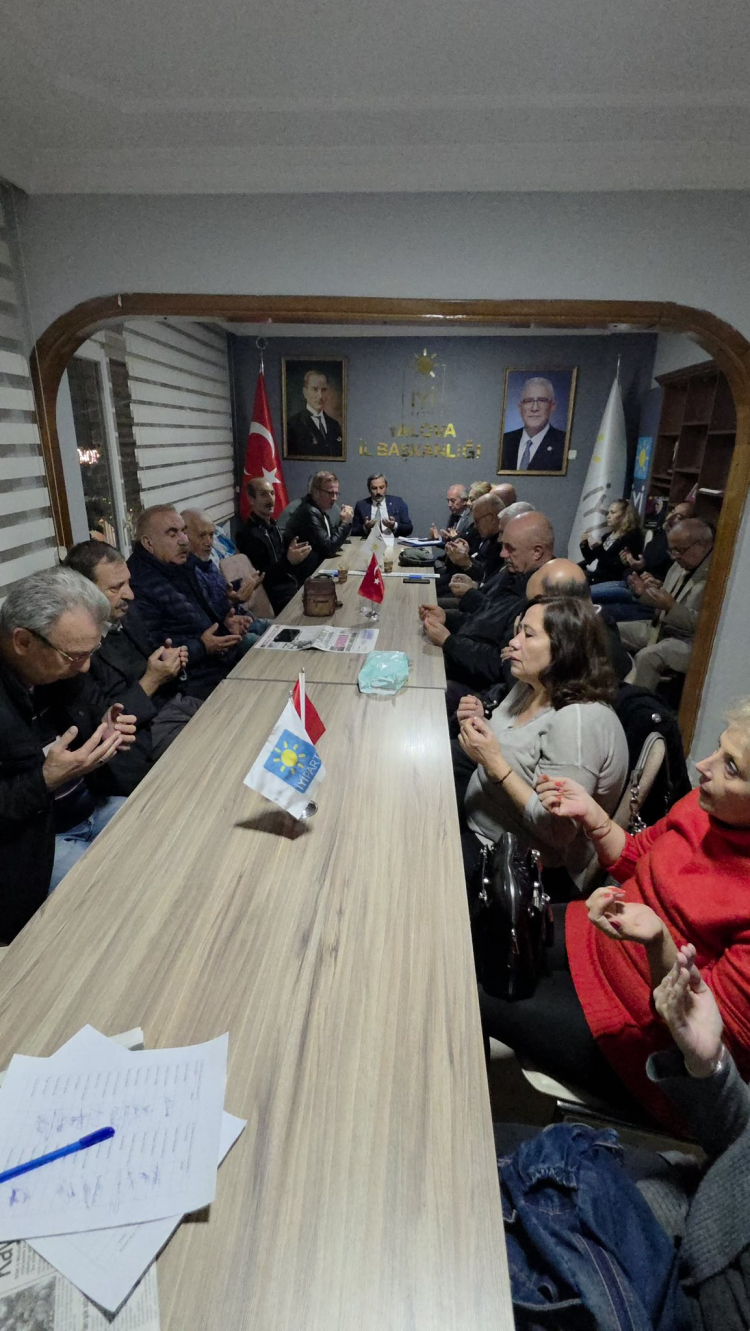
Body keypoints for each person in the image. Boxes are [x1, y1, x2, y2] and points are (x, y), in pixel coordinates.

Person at [480, 697, 750, 1131]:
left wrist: (658, 942)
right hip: (594, 939)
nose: (704, 765)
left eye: (731, 767)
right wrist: (593, 816)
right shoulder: (704, 806)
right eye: (719, 748)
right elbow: (634, 857)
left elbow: (708, 1041)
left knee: (472, 993)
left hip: (642, 1029)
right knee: (470, 941)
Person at [494, 945, 750, 1331]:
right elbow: (739, 1151)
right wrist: (710, 1064)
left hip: (657, 1302)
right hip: (671, 1195)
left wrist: (658, 948)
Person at [0, 567, 137, 938]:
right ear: (22, 641)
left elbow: (91, 708)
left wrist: (106, 726)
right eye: (74, 656)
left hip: (90, 806)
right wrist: (45, 779)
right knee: (120, 897)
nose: (86, 666)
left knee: (160, 830)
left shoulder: (61, 667)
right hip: (34, 844)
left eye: (91, 652)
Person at [458, 597, 628, 889]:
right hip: (484, 824)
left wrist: (494, 762)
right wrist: (480, 724)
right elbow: (513, 746)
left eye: (528, 634)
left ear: (564, 649)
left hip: (521, 865)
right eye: (518, 631)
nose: (514, 642)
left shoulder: (578, 721)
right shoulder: (532, 685)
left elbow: (557, 831)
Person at [64, 540, 202, 792]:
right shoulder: (74, 649)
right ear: (84, 594)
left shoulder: (126, 614)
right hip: (137, 745)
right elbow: (104, 725)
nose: (130, 594)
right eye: (115, 588)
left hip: (173, 707)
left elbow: (152, 662)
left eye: (127, 582)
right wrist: (153, 679)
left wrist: (170, 661)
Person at [419, 511, 554, 693]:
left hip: (474, 684)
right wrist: (447, 619)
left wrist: (449, 642)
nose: (503, 553)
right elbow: (484, 620)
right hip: (459, 657)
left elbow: (498, 665)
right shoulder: (514, 574)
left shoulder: (537, 596)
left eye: (510, 548)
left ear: (537, 552)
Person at [128, 505, 243, 697]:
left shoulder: (180, 565)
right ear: (148, 543)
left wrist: (225, 624)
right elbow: (154, 650)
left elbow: (200, 618)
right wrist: (202, 647)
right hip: (187, 686)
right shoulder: (138, 584)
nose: (184, 540)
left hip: (217, 664)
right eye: (173, 534)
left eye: (183, 531)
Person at [617, 517, 714, 692]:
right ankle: (610, 688)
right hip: (660, 628)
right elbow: (662, 603)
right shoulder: (679, 565)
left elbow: (705, 626)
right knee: (606, 628)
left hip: (689, 642)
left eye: (680, 550)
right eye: (672, 550)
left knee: (647, 657)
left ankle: (638, 704)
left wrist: (670, 606)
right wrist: (643, 592)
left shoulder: (716, 575)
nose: (675, 556)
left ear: (702, 545)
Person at [181, 508, 271, 651]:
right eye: (202, 535)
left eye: (211, 535)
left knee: (276, 627)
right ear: (184, 536)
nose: (209, 542)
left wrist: (240, 586)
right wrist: (233, 601)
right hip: (223, 636)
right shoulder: (187, 571)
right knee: (268, 644)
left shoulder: (207, 563)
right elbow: (211, 616)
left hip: (239, 619)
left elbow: (223, 592)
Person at [591, 500, 695, 619]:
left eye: (679, 517)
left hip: (646, 595)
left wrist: (654, 581)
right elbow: (636, 568)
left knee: (595, 610)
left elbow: (667, 584)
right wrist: (635, 566)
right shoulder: (660, 537)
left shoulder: (682, 549)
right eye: (672, 512)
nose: (670, 517)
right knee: (583, 594)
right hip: (631, 583)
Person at [236, 478, 312, 613]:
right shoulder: (248, 534)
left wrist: (295, 554)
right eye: (263, 494)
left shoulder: (273, 526)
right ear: (251, 499)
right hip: (274, 599)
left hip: (292, 588)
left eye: (272, 493)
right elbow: (263, 576)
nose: (270, 500)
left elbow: (283, 562)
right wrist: (289, 560)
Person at [284, 471, 354, 578]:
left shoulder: (318, 509)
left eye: (336, 494)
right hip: (303, 577)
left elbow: (331, 538)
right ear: (316, 493)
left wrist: (343, 521)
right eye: (330, 493)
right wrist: (345, 523)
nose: (334, 498)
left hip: (316, 569)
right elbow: (329, 549)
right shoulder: (309, 512)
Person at [500, 377, 568, 472]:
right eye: (528, 401)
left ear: (552, 406)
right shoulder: (504, 441)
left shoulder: (564, 443)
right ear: (520, 408)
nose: (534, 408)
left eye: (542, 400)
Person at [579, 499, 644, 584]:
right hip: (596, 576)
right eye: (608, 513)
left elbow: (615, 565)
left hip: (610, 581)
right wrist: (584, 545)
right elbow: (590, 558)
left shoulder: (631, 537)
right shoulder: (608, 535)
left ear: (625, 515)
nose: (608, 516)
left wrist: (598, 547)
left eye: (613, 513)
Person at [285, 370, 343, 459]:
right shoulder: (293, 424)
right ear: (305, 392)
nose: (320, 396)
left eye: (324, 390)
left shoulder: (334, 425)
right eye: (315, 389)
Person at [351, 473, 413, 538]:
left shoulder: (398, 502)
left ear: (386, 487)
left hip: (392, 541)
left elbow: (409, 528)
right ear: (369, 489)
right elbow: (354, 531)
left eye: (381, 487)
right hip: (370, 542)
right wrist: (365, 527)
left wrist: (394, 525)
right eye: (374, 488)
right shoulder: (361, 505)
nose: (378, 492)